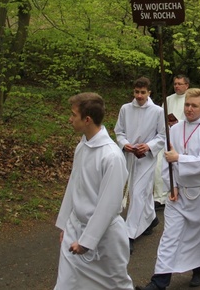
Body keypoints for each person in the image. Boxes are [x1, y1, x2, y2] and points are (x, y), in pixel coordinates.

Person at [138, 88, 200, 290]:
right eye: (187, 105)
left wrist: (179, 158)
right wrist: (171, 186)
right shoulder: (174, 129)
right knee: (169, 236)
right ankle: (159, 282)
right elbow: (166, 162)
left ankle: (199, 269)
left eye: (194, 105)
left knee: (199, 235)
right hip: (178, 193)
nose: (189, 109)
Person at [55, 92, 133, 290]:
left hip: (105, 237)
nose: (70, 119)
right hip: (75, 227)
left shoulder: (111, 156)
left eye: (73, 115)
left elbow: (109, 204)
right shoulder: (82, 146)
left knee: (116, 285)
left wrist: (87, 241)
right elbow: (74, 185)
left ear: (87, 119)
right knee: (66, 284)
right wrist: (65, 224)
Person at [114, 77, 166, 254]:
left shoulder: (157, 111)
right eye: (136, 92)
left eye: (143, 92)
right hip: (130, 156)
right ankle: (151, 219)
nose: (139, 95)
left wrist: (149, 146)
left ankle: (129, 235)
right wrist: (124, 144)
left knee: (137, 192)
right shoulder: (125, 109)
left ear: (149, 92)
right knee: (139, 191)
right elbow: (119, 131)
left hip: (146, 158)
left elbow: (162, 135)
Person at [153, 75, 190, 210]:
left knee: (177, 167)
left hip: (183, 138)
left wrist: (178, 122)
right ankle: (160, 196)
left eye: (180, 84)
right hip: (167, 136)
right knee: (160, 166)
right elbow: (161, 118)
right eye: (175, 84)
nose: (177, 86)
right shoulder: (167, 99)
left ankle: (179, 193)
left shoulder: (189, 100)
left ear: (187, 85)